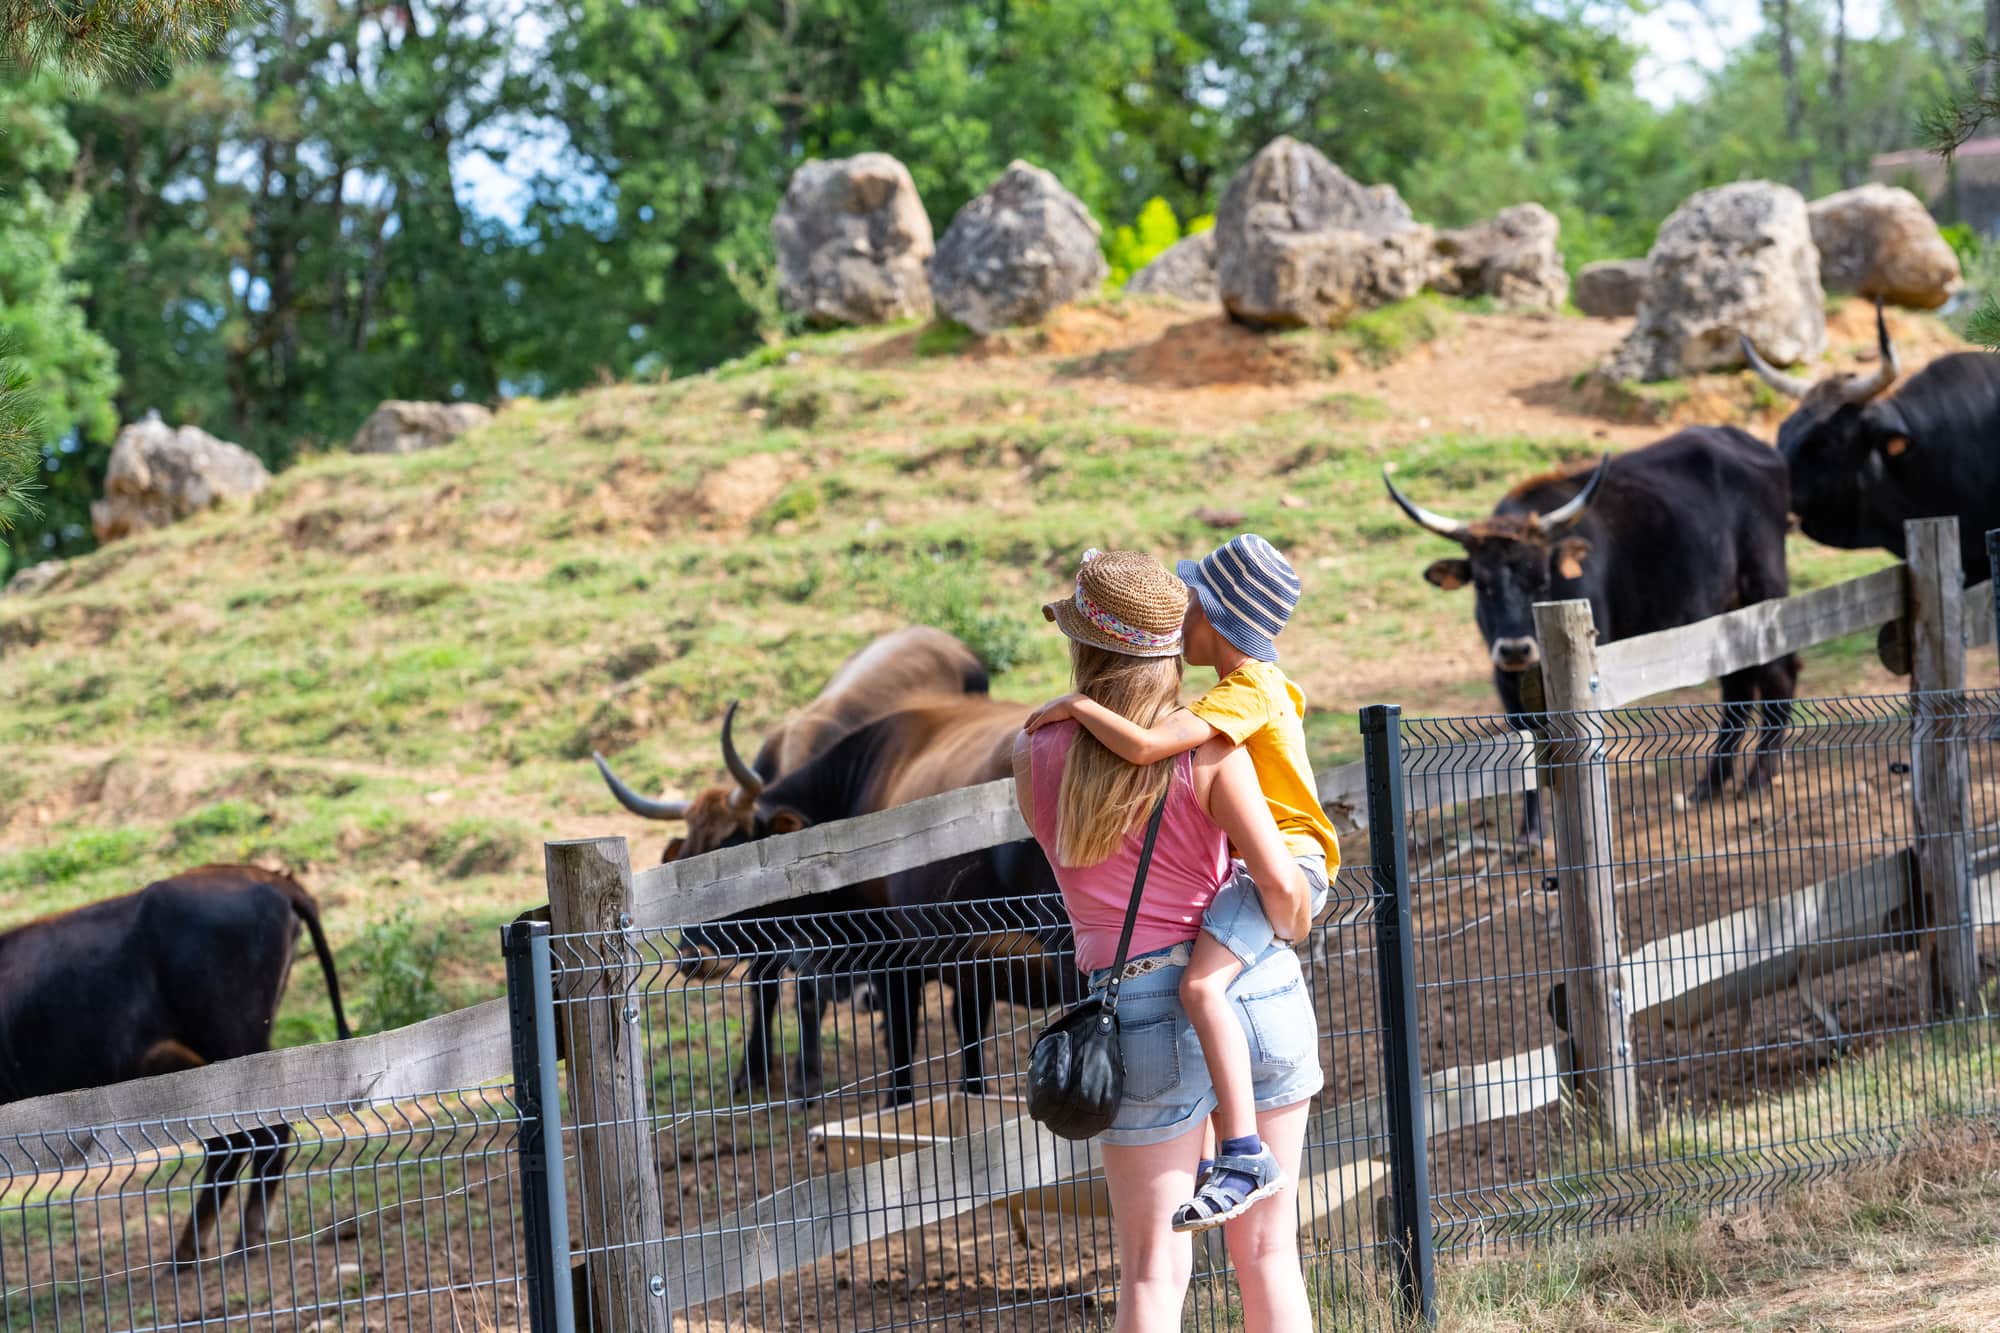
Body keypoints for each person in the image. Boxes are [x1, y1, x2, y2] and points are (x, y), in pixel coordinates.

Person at [1014, 548, 1320, 1332]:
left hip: (1136, 1010)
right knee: (1269, 1251)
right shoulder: (1212, 748)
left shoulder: (1034, 752)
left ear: (1082, 647)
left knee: (1153, 1272)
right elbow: (1284, 893)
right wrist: (1291, 911)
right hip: (1257, 988)